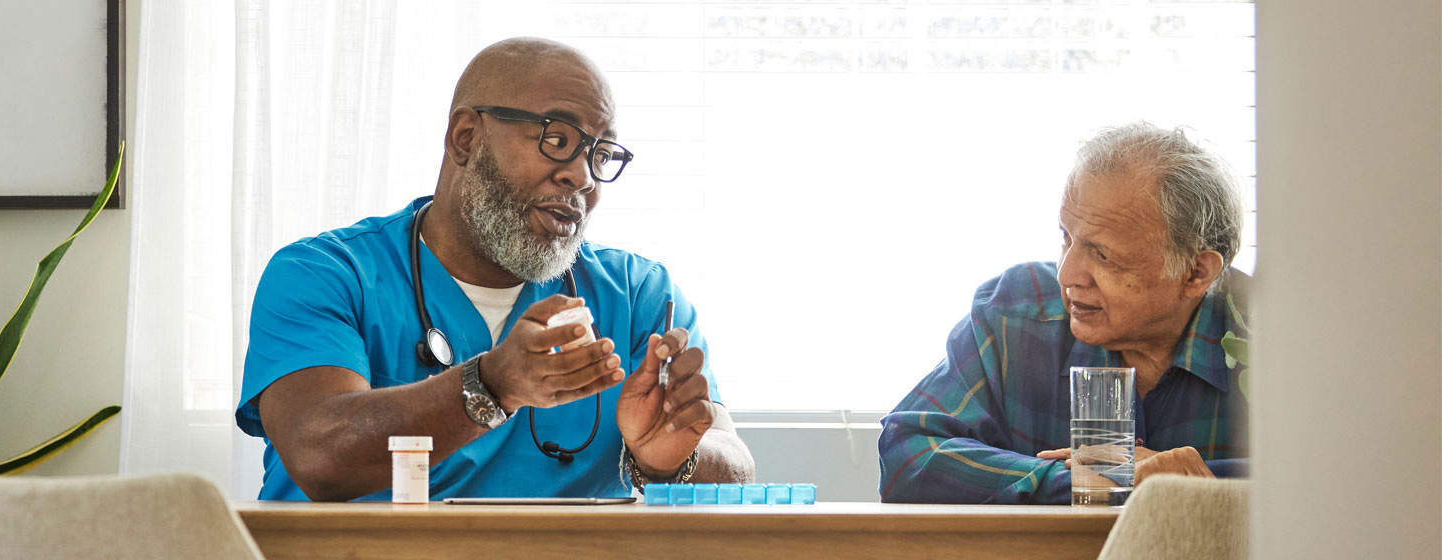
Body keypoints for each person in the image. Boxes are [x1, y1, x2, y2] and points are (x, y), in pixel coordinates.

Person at [234, 37, 756, 501]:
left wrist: (667, 461)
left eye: (599, 155)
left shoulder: (638, 294)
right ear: (466, 137)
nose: (581, 177)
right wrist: (490, 385)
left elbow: (734, 463)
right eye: (558, 139)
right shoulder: (326, 274)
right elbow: (319, 457)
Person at [877, 122, 1250, 505]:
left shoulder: (1270, 336)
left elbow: (1311, 482)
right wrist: (1089, 479)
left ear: (1196, 272)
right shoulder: (1015, 313)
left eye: (1103, 254)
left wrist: (1185, 481)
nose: (1066, 274)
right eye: (1066, 238)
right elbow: (907, 454)